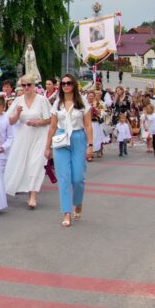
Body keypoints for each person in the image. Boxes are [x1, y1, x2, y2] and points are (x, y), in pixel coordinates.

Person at [44, 74, 93, 227]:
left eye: (69, 83)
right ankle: (66, 212)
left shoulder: (82, 102)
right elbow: (52, 126)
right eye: (63, 83)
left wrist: (90, 145)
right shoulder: (57, 103)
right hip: (61, 138)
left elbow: (88, 125)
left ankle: (77, 202)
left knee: (77, 178)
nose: (66, 86)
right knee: (64, 177)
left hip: (78, 138)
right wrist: (47, 147)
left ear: (74, 85)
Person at [4, 75, 51, 208]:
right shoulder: (18, 100)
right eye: (23, 85)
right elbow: (9, 121)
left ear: (34, 86)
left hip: (39, 135)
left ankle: (33, 196)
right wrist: (18, 114)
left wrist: (38, 122)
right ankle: (17, 187)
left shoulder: (42, 100)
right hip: (23, 135)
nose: (26, 88)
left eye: (28, 85)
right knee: (21, 163)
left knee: (35, 164)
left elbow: (50, 119)